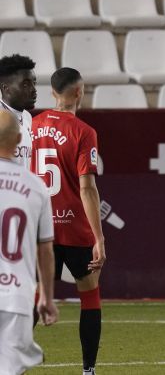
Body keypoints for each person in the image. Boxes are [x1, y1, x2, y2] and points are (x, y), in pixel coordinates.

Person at [31, 68, 106, 375]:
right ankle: (88, 370)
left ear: (52, 92)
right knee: (89, 294)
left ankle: (7, 361)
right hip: (74, 227)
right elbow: (87, 188)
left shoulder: (31, 126)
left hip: (39, 227)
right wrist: (99, 238)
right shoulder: (83, 131)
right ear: (79, 92)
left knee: (34, 294)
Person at [0, 110, 58, 375]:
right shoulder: (36, 186)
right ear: (20, 139)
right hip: (16, 296)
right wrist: (46, 296)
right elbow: (45, 249)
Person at [0, 55, 36, 170]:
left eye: (34, 83)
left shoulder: (27, 117)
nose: (33, 89)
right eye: (25, 84)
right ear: (6, 88)